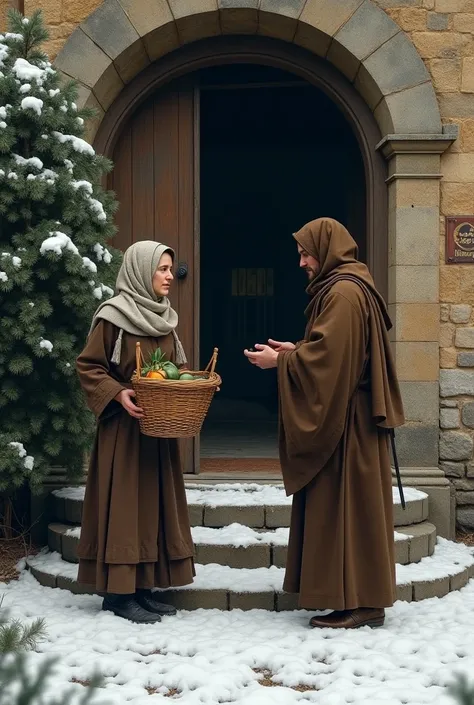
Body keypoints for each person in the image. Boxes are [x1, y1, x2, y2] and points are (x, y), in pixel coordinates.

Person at [244, 218, 404, 629]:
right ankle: (355, 598)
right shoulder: (345, 288)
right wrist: (298, 349)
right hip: (348, 420)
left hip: (347, 429)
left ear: (326, 250)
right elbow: (333, 351)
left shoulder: (345, 294)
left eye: (305, 253)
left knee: (349, 509)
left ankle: (363, 603)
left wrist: (281, 361)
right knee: (347, 510)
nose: (301, 262)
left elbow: (333, 364)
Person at [76, 240, 195, 623]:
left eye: (170, 269)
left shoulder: (166, 318)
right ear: (141, 271)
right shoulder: (114, 317)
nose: (168, 277)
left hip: (156, 434)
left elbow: (174, 367)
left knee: (152, 507)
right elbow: (89, 366)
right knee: (126, 508)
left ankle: (143, 588)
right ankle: (118, 594)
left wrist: (187, 385)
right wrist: (119, 392)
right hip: (123, 435)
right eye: (161, 269)